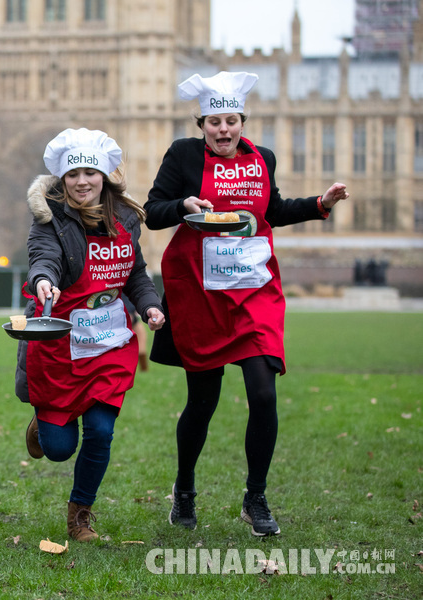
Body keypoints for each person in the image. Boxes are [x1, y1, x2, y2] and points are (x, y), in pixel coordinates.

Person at [145, 71, 349, 537]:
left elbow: (271, 211)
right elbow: (153, 211)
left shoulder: (263, 158)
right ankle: (185, 490)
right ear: (201, 123)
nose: (223, 129)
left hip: (253, 289)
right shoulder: (182, 156)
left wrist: (320, 202)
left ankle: (255, 497)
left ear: (242, 121)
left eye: (231, 120)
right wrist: (183, 207)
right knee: (203, 402)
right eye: (214, 121)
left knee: (262, 391)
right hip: (199, 292)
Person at [15, 128, 165, 542]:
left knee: (100, 431)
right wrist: (44, 280)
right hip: (59, 346)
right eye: (73, 174)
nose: (82, 181)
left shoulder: (127, 220)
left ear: (104, 175)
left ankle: (80, 515)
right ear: (63, 180)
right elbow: (42, 258)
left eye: (90, 172)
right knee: (60, 448)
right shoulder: (50, 219)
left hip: (109, 344)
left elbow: (135, 273)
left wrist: (151, 304)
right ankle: (44, 427)